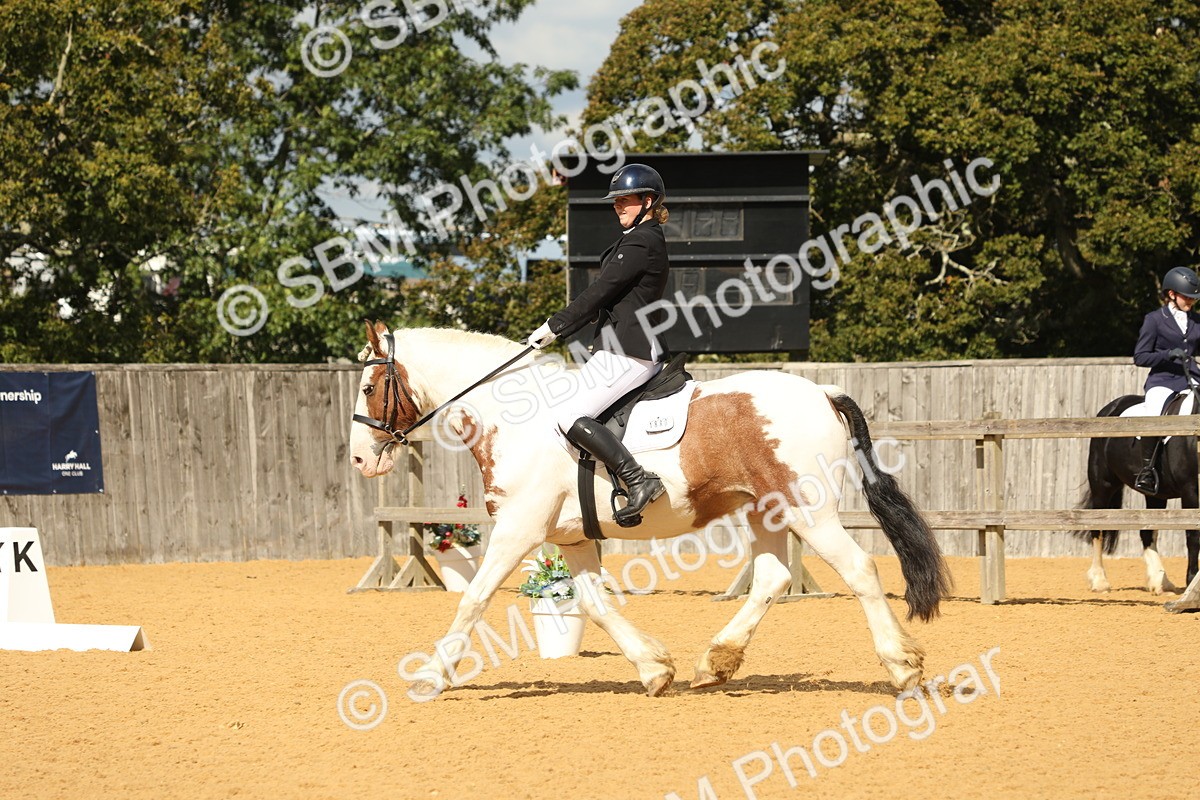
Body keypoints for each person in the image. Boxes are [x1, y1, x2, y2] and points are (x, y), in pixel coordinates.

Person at [526, 163, 671, 526]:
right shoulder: (637, 238)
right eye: (615, 201)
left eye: (625, 199)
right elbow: (613, 297)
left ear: (648, 200)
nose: (618, 206)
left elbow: (600, 291)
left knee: (568, 415)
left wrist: (555, 326)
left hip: (630, 348)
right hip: (617, 346)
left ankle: (639, 480)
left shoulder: (642, 240)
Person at [1129, 266, 1200, 493]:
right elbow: (1140, 356)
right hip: (1163, 381)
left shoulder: (1197, 321)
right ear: (1172, 294)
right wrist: (1166, 355)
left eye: (1193, 298)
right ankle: (1147, 471)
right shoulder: (1154, 320)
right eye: (1187, 297)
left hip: (1192, 379)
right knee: (1154, 412)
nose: (1191, 302)